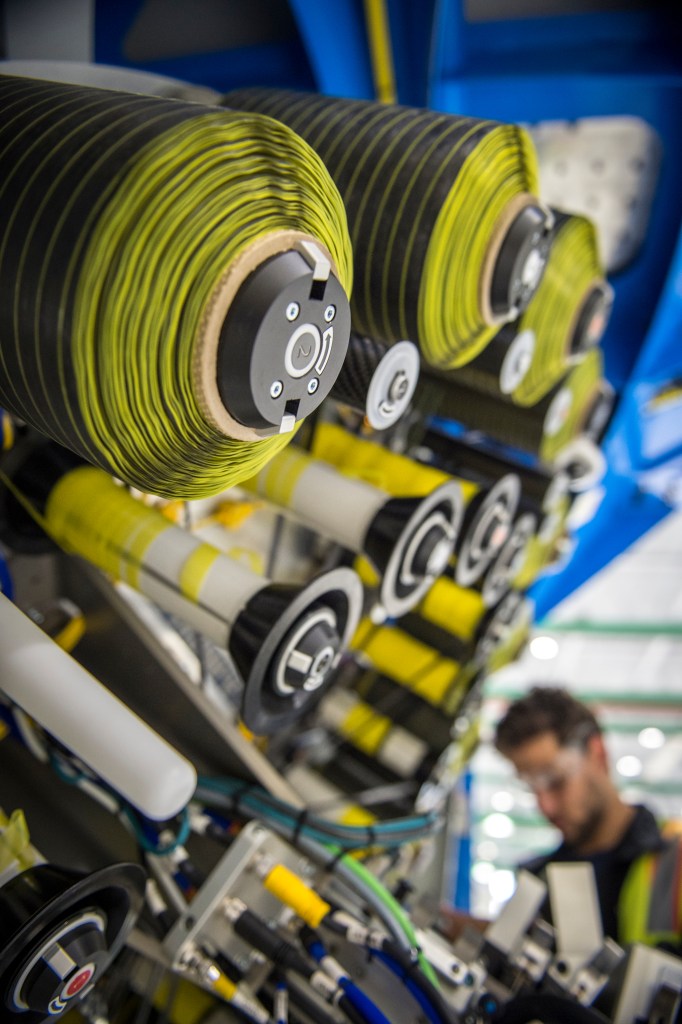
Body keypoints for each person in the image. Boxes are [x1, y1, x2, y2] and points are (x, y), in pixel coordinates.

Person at [442, 686, 682, 954]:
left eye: (555, 781)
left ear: (598, 753)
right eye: (531, 787)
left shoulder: (674, 863)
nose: (545, 805)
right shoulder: (539, 885)